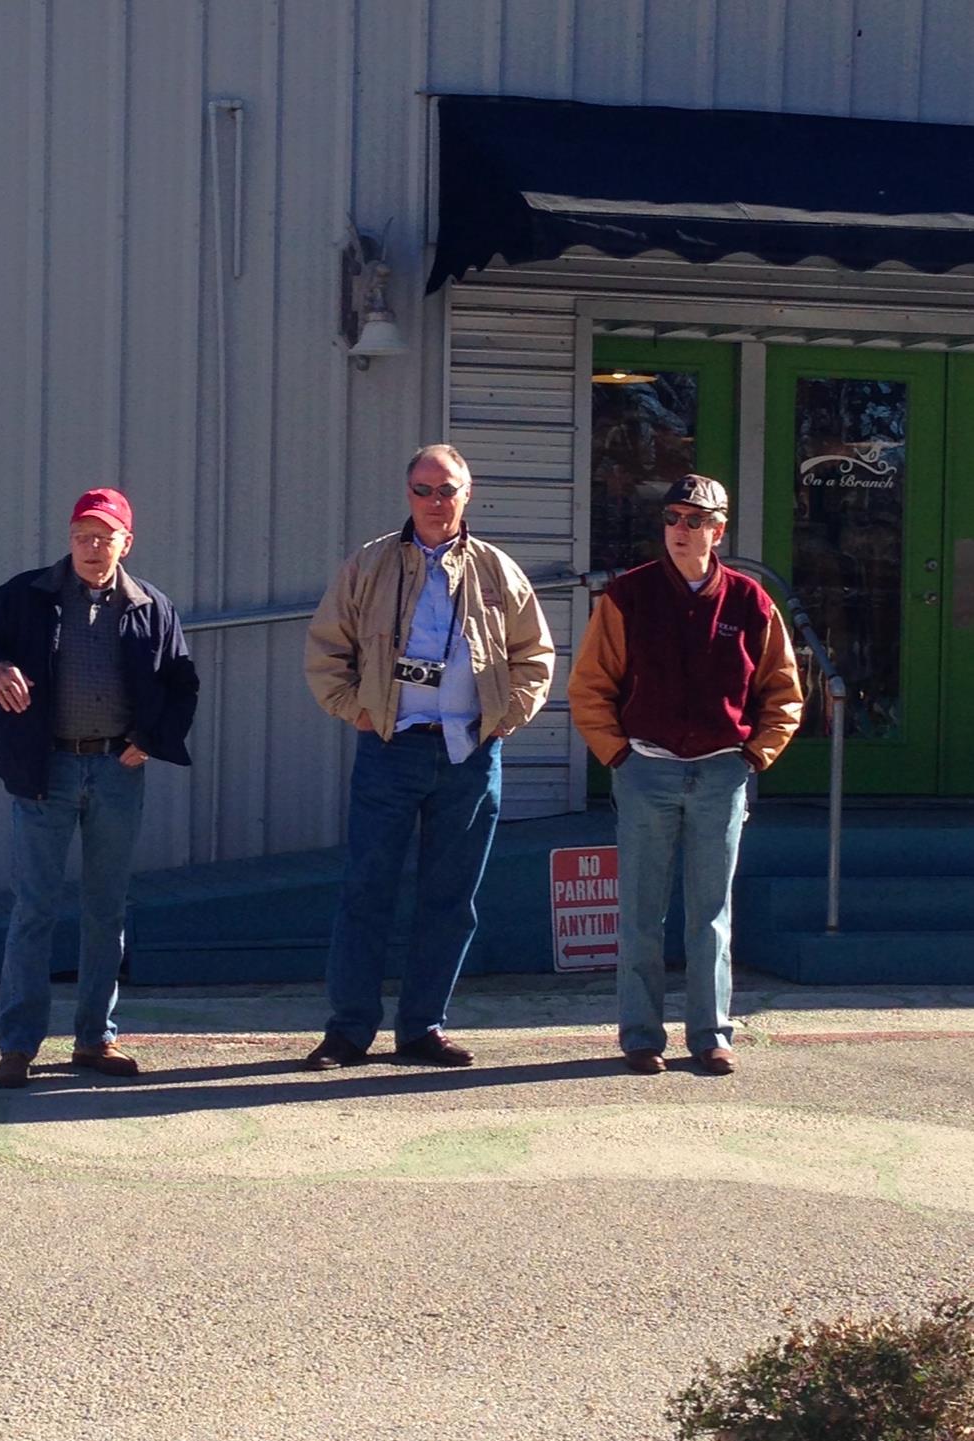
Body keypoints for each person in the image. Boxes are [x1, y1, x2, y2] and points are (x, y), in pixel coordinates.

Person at [303, 444, 555, 1069]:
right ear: (407, 494)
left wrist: (505, 718)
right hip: (391, 746)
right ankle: (349, 1030)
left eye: (448, 490)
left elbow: (536, 656)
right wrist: (353, 708)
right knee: (367, 890)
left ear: (468, 494)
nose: (436, 502)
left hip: (469, 752)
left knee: (450, 897)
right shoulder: (369, 564)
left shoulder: (499, 570)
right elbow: (327, 646)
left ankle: (422, 1028)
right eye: (424, 490)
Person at [0, 488, 199, 1088]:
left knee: (105, 910)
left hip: (118, 772)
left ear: (126, 543)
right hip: (45, 774)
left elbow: (181, 683)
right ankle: (17, 1047)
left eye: (104, 537)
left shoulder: (151, 607)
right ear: (69, 540)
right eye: (82, 537)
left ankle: (94, 1040)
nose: (92, 548)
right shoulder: (26, 596)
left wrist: (151, 740)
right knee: (34, 909)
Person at [568, 474, 802, 1076]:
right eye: (672, 518)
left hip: (721, 774)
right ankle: (642, 1036)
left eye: (695, 520)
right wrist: (618, 756)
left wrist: (753, 758)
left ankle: (711, 1035)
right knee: (642, 913)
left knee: (711, 914)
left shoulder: (751, 602)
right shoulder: (628, 597)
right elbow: (590, 686)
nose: (681, 530)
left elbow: (783, 692)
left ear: (718, 530)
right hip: (646, 770)